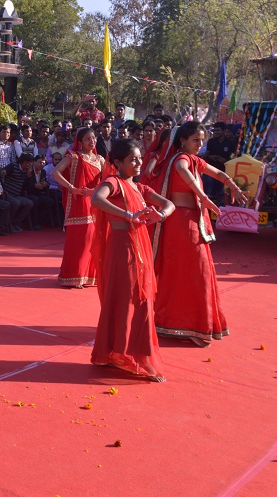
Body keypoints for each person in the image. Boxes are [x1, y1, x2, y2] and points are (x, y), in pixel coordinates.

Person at [151, 121, 247, 347]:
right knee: (192, 272)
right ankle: (189, 325)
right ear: (182, 140)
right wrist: (204, 198)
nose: (200, 144)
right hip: (180, 224)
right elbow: (184, 173)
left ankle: (188, 324)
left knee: (196, 272)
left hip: (192, 222)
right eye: (195, 140)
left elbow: (218, 173)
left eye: (202, 140)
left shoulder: (195, 160)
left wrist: (233, 186)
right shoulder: (180, 159)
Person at [90, 139, 174, 382]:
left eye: (139, 158)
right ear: (118, 162)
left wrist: (160, 215)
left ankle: (126, 353)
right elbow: (97, 199)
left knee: (141, 299)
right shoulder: (114, 183)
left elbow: (168, 204)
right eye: (132, 160)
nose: (138, 163)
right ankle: (129, 356)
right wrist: (129, 215)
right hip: (123, 249)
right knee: (127, 299)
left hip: (140, 247)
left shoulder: (140, 187)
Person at [51, 127, 104, 288]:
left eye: (93, 138)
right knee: (80, 240)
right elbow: (56, 173)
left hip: (95, 202)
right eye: (87, 138)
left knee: (93, 240)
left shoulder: (100, 159)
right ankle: (74, 275)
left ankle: (89, 276)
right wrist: (72, 188)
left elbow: (108, 179)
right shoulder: (73, 156)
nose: (91, 141)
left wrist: (95, 191)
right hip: (79, 203)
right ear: (80, 142)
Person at [24, 154, 54, 229]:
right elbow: (25, 185)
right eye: (40, 162)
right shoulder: (29, 171)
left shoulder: (43, 172)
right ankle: (33, 222)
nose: (41, 165)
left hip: (38, 192)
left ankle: (40, 221)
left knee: (49, 201)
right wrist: (34, 185)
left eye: (43, 163)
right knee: (35, 200)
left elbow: (45, 182)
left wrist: (45, 184)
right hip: (28, 193)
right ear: (34, 162)